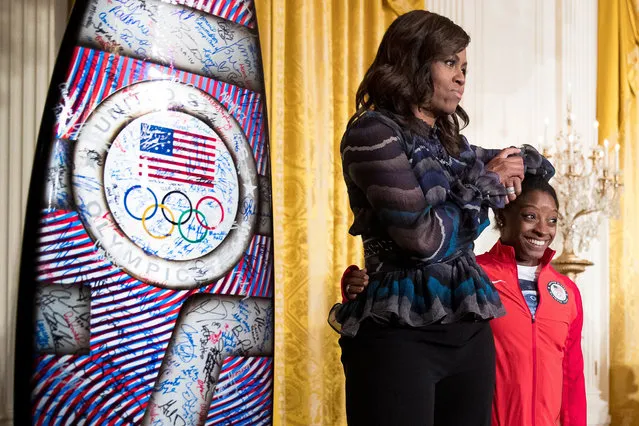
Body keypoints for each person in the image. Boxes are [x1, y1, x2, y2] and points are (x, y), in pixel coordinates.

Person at [329, 9, 554, 426]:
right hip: (400, 332)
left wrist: (517, 162)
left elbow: (526, 166)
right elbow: (423, 240)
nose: (461, 77)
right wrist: (488, 181)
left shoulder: (449, 142)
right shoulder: (373, 133)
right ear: (413, 61)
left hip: (468, 328)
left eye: (464, 67)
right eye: (449, 63)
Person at [342, 175, 586, 426]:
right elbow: (411, 309)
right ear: (501, 217)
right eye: (530, 216)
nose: (543, 229)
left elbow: (572, 376)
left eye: (552, 220)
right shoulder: (469, 275)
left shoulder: (567, 291)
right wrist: (356, 287)